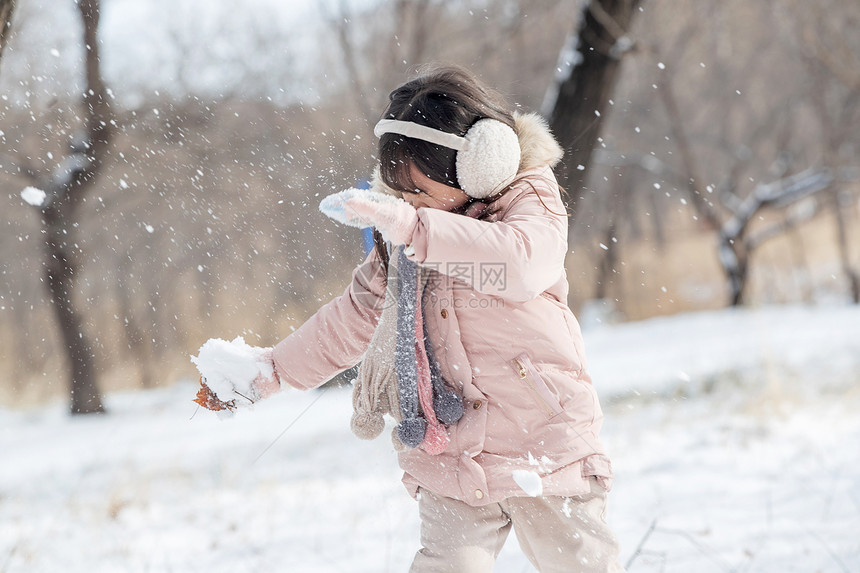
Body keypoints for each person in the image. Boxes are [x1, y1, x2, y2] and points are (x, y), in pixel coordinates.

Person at [194, 64, 624, 572]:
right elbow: (358, 313)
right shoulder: (403, 232)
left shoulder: (528, 200)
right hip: (455, 452)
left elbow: (519, 264)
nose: (408, 204)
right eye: (399, 192)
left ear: (478, 164)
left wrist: (411, 226)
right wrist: (274, 371)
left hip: (544, 446)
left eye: (419, 191)